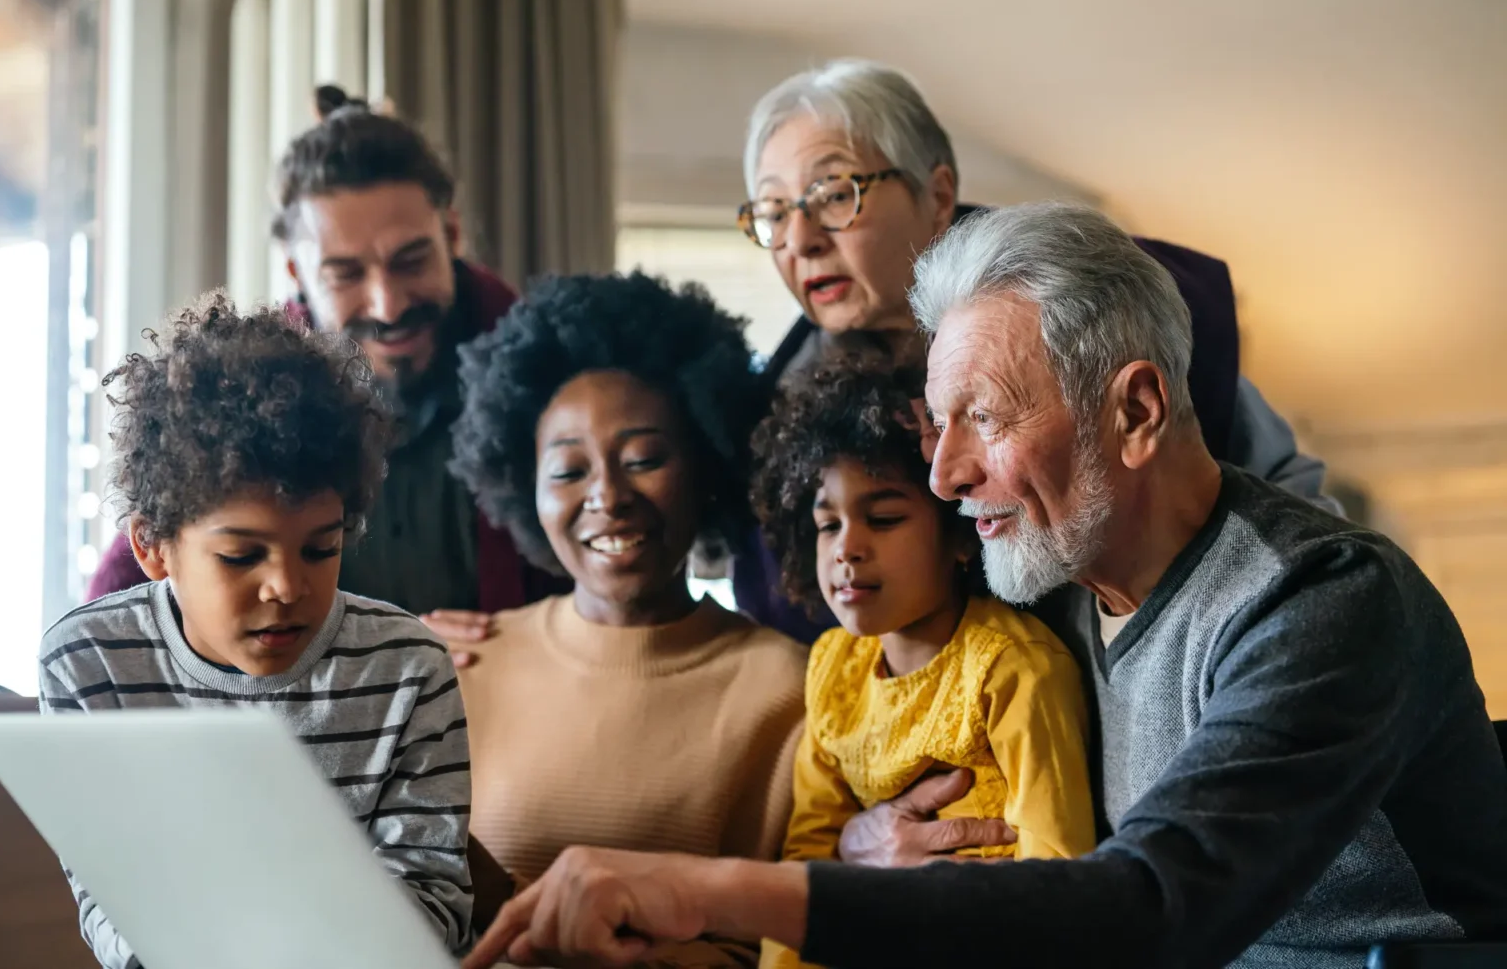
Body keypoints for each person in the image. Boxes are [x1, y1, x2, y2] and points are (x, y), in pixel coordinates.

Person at [464, 203, 1507, 969]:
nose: (944, 476)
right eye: (938, 426)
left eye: (988, 419)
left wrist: (707, 888)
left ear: (1135, 411)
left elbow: (1150, 909)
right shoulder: (1044, 587)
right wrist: (862, 850)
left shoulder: (1321, 600)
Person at [731, 59, 1334, 643]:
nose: (800, 241)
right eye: (774, 212)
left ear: (937, 193)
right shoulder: (781, 410)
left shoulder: (1091, 302)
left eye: (835, 195)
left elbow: (1295, 510)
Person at [39, 294, 472, 968]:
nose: (287, 587)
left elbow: (434, 901)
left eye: (321, 549)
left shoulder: (408, 668)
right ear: (153, 547)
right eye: (241, 556)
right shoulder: (90, 662)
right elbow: (111, 898)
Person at [85, 87, 563, 641]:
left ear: (451, 234)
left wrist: (518, 639)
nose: (388, 304)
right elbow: (111, 614)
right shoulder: (242, 395)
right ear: (298, 273)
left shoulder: (549, 380)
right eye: (345, 275)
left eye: (411, 261)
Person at [449, 271, 809, 966]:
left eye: (644, 458)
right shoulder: (464, 665)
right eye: (567, 471)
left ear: (708, 465)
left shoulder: (788, 688)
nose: (607, 496)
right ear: (524, 488)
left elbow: (792, 947)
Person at [749, 359, 1095, 969]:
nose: (848, 548)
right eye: (828, 524)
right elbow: (809, 848)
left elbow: (1058, 873)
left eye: (883, 519)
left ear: (963, 537)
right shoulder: (833, 668)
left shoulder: (1013, 669)